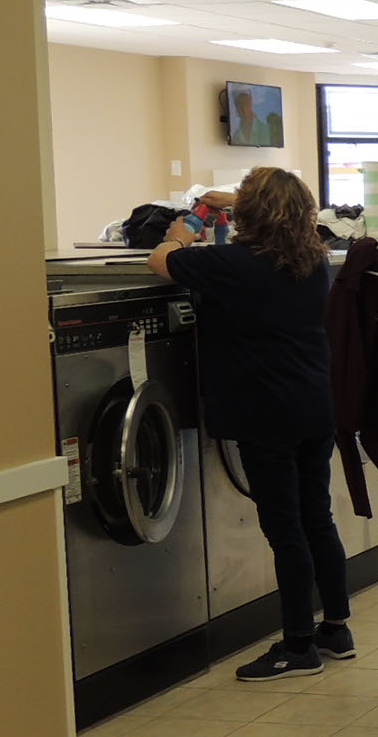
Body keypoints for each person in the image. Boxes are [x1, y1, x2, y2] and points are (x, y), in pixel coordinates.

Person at [148, 167, 351, 680]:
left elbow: (160, 260)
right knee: (317, 518)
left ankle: (298, 645)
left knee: (284, 529)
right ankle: (336, 627)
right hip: (314, 404)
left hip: (265, 412)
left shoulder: (232, 263)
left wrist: (187, 222)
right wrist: (232, 203)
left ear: (250, 214)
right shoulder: (314, 260)